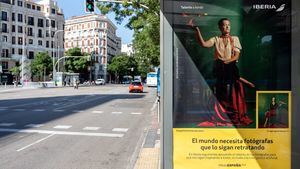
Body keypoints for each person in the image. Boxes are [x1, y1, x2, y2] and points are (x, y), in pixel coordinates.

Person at [188, 17, 254, 125]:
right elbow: (204, 44)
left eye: (229, 25)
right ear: (220, 27)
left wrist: (226, 62)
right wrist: (197, 30)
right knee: (220, 93)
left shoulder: (235, 39)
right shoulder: (216, 39)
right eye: (225, 25)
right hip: (220, 69)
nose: (227, 27)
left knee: (233, 92)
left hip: (230, 67)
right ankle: (221, 116)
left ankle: (235, 115)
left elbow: (236, 56)